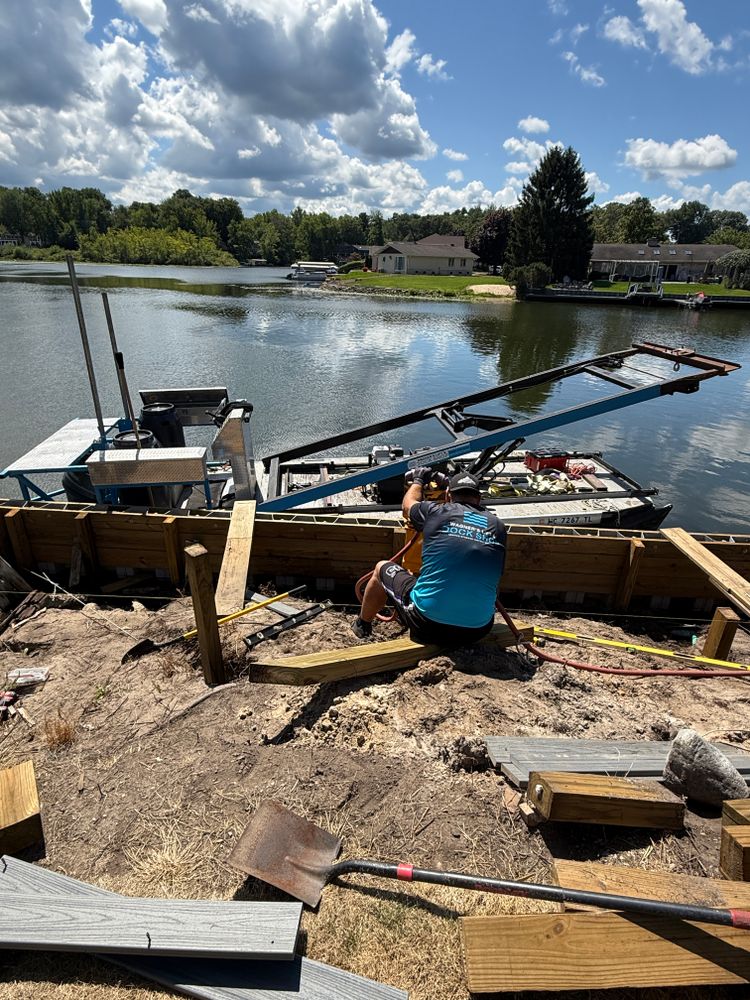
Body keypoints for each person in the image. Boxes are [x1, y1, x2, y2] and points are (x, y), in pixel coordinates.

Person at [352, 466, 507, 646]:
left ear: (448, 495)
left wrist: (418, 479)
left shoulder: (436, 512)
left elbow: (408, 504)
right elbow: (496, 581)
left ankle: (362, 624)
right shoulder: (498, 527)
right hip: (478, 630)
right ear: (479, 499)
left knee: (381, 567)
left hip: (427, 624)